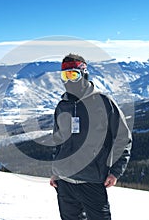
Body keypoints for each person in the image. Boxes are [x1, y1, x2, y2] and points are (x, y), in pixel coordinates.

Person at [50, 53, 132, 220]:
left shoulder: (103, 103)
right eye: (65, 75)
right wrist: (55, 171)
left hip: (92, 181)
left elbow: (123, 138)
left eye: (73, 75)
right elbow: (58, 141)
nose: (68, 80)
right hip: (65, 182)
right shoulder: (62, 106)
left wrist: (115, 172)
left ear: (84, 73)